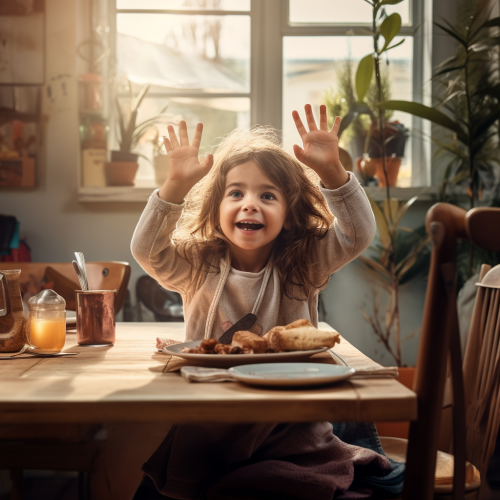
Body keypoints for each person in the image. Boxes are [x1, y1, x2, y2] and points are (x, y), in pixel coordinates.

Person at [130, 105, 400, 499]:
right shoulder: (197, 265)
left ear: (289, 216)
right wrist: (174, 184)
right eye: (235, 193)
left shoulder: (303, 264)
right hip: (211, 421)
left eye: (267, 195)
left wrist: (332, 171)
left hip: (289, 425)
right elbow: (146, 250)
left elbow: (358, 233)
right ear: (216, 209)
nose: (250, 204)